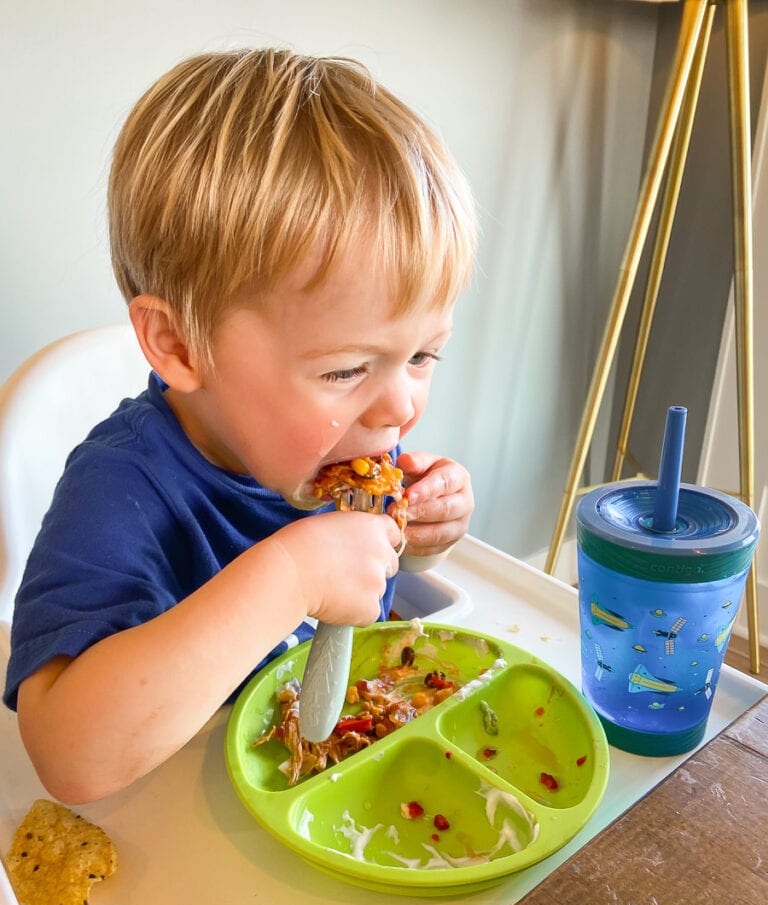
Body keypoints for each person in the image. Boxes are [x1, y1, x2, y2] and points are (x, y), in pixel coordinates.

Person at [3, 48, 477, 804]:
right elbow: (68, 757)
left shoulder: (328, 449)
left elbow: (374, 600)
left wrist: (419, 541)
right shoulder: (121, 489)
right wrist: (293, 576)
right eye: (346, 370)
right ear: (181, 345)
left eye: (422, 355)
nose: (400, 409)